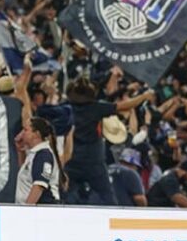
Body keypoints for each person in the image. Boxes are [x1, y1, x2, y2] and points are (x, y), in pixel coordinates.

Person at [65, 76, 153, 206]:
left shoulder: (66, 108)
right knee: (108, 200)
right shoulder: (96, 107)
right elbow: (124, 105)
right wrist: (143, 96)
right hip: (93, 162)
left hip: (72, 160)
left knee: (66, 198)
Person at [15, 117, 62, 205]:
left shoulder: (43, 155)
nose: (21, 134)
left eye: (25, 130)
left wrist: (25, 210)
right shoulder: (34, 153)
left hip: (43, 210)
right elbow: (27, 173)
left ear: (36, 134)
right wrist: (20, 151)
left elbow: (39, 186)